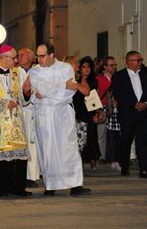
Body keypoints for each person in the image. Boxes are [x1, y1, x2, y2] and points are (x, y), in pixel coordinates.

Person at [29, 43, 91, 196]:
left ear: (51, 55)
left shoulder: (65, 68)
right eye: (38, 55)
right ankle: (50, 185)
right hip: (43, 114)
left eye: (42, 56)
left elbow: (67, 93)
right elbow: (40, 90)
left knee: (68, 148)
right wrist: (62, 85)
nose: (39, 59)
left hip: (62, 113)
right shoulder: (34, 71)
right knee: (47, 149)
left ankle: (75, 185)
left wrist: (47, 92)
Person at [0, 44, 32, 197]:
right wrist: (4, 104)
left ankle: (17, 188)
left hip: (15, 119)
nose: (16, 60)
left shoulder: (18, 73)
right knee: (0, 154)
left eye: (16, 57)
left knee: (16, 153)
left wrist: (26, 92)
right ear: (3, 58)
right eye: (13, 57)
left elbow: (23, 99)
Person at [112, 50, 147, 179]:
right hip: (127, 113)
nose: (141, 62)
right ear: (129, 62)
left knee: (143, 141)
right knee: (126, 141)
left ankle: (144, 170)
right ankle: (125, 167)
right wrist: (133, 104)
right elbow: (118, 94)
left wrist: (146, 103)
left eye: (141, 60)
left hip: (144, 113)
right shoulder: (119, 76)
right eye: (138, 60)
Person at [18, 47, 40, 188]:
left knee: (33, 145)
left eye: (22, 55)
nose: (19, 57)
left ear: (31, 57)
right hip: (20, 111)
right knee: (21, 144)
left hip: (34, 111)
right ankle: (21, 175)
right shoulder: (14, 72)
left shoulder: (38, 70)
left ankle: (32, 175)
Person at [73, 57, 101, 171]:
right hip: (77, 111)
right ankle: (79, 161)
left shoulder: (94, 81)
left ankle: (93, 160)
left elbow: (93, 97)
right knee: (79, 139)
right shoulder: (75, 80)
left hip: (89, 111)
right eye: (84, 67)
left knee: (92, 135)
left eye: (88, 67)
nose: (86, 69)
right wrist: (80, 78)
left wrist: (97, 113)